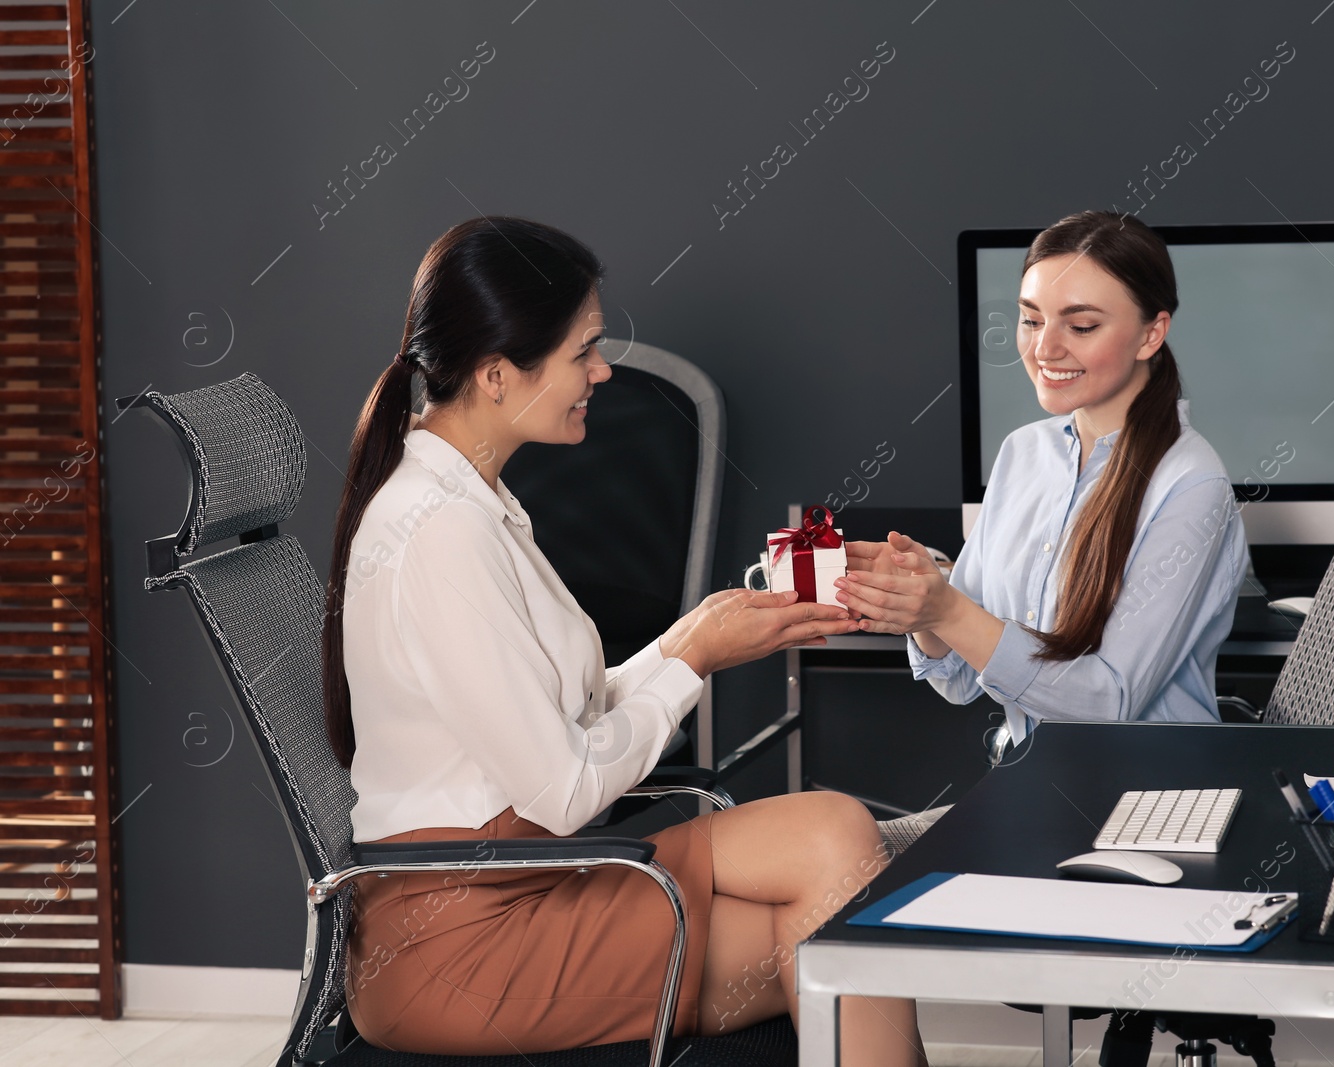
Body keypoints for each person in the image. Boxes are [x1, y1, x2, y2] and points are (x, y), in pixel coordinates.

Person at [322, 216, 926, 1065]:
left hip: (523, 883)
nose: (601, 371)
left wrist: (698, 633)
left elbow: (563, 707)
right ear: (498, 374)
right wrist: (693, 659)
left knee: (835, 840)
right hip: (463, 944)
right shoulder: (440, 531)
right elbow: (565, 787)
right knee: (837, 927)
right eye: (583, 351)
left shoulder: (472, 500)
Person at [842, 211, 1248, 756]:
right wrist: (922, 604)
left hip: (1146, 799)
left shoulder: (1193, 484)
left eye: (1081, 326)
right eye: (1032, 320)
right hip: (1034, 784)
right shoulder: (1022, 453)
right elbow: (960, 681)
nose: (1044, 348)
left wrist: (948, 610)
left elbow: (1109, 703)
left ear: (1151, 333)